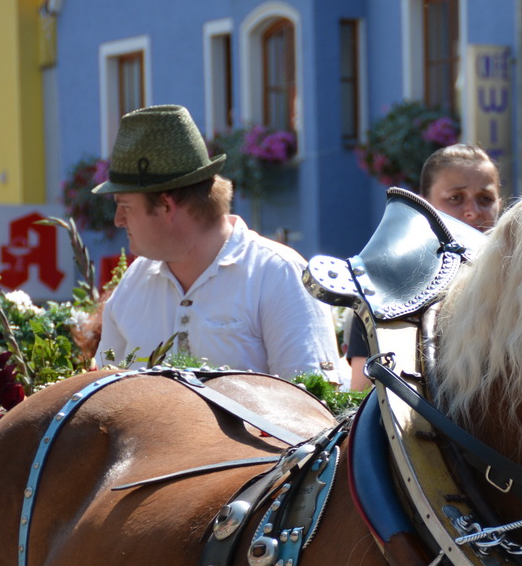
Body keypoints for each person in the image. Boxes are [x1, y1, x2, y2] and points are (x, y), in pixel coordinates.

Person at [91, 105, 340, 380]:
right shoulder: (134, 284)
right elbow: (103, 396)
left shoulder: (278, 274)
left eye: (125, 206)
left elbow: (313, 407)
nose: (117, 220)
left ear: (166, 205)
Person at [347, 144, 503, 389]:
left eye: (485, 199)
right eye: (455, 198)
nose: (472, 211)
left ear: (499, 203)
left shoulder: (520, 281)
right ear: (425, 204)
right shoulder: (383, 284)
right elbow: (363, 391)